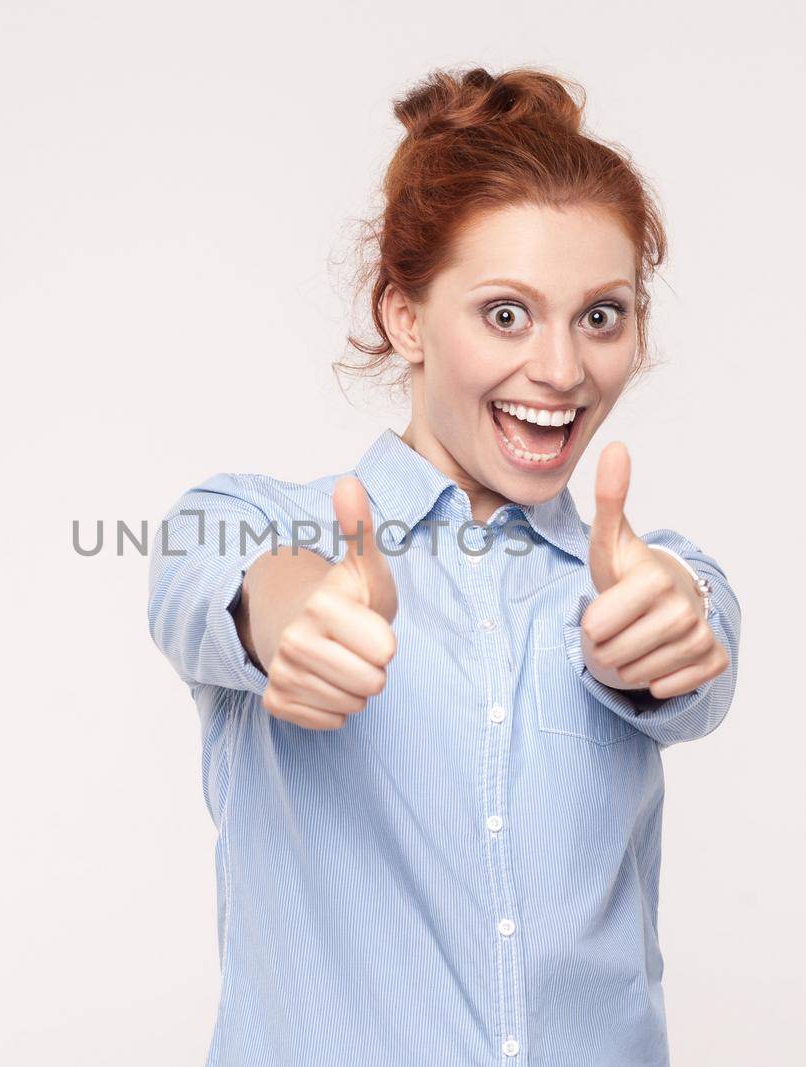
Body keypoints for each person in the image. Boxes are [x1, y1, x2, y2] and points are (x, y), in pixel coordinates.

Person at [146, 65, 742, 1066]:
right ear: (405, 317)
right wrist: (296, 612)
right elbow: (212, 577)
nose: (559, 369)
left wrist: (678, 618)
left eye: (600, 314)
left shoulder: (641, 576)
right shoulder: (252, 520)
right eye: (506, 313)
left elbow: (695, 639)